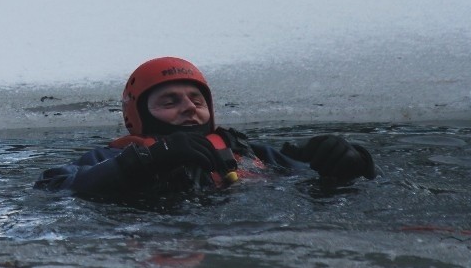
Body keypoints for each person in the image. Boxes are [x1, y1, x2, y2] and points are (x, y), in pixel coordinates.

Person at [35, 56, 376, 197]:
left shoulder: (244, 150)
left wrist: (350, 162)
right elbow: (52, 186)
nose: (188, 108)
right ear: (137, 115)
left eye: (197, 101)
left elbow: (303, 172)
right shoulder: (112, 157)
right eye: (170, 102)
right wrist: (146, 161)